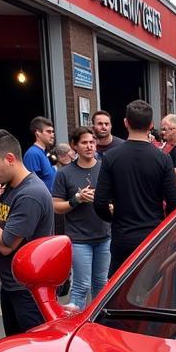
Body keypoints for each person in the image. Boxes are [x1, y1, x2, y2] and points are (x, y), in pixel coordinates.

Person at [0, 129, 54, 336]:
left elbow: (6, 245)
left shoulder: (30, 194)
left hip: (28, 292)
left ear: (9, 158)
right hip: (11, 287)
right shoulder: (8, 189)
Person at [94, 99, 176, 276]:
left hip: (122, 236)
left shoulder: (111, 157)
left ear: (126, 123)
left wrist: (115, 218)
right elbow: (174, 201)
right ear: (151, 125)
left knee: (118, 290)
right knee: (151, 289)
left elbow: (100, 202)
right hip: (153, 236)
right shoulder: (163, 159)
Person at [52, 125, 110, 309]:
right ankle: (76, 326)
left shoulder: (105, 169)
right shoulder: (64, 174)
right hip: (79, 239)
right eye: (84, 142)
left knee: (102, 285)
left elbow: (117, 199)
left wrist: (111, 206)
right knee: (81, 286)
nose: (89, 146)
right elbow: (56, 206)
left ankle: (99, 327)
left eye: (92, 142)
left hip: (104, 236)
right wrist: (76, 199)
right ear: (74, 146)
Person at [23, 116, 56, 192]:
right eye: (48, 132)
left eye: (52, 132)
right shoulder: (33, 154)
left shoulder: (44, 153)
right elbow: (31, 185)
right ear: (38, 133)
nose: (52, 135)